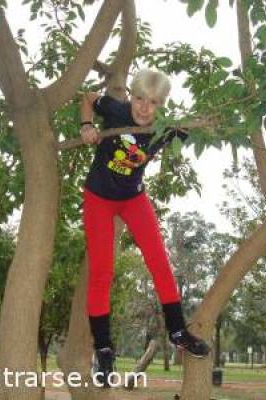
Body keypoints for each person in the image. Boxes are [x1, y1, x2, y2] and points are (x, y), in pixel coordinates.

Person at [80, 69, 210, 387]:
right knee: (102, 272)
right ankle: (104, 350)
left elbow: (203, 130)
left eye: (153, 103)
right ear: (131, 96)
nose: (144, 108)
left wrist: (210, 122)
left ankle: (178, 332)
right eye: (139, 99)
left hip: (133, 199)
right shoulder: (116, 109)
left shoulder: (166, 128)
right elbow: (88, 98)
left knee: (159, 262)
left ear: (162, 105)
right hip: (98, 196)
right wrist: (87, 124)